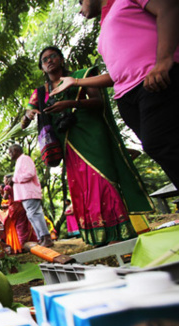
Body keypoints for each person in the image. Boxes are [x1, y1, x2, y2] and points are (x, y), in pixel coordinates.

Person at [23, 46, 153, 246]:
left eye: (53, 56)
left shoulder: (81, 76)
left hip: (91, 134)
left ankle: (120, 234)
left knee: (102, 180)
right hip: (68, 141)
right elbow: (25, 120)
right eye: (44, 59)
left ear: (61, 59)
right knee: (82, 185)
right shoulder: (41, 92)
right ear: (42, 68)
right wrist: (29, 115)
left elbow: (98, 102)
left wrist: (70, 105)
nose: (49, 60)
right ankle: (100, 237)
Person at [50, 0, 179, 188]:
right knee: (162, 149)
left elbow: (169, 8)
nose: (80, 9)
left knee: (161, 143)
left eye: (80, 2)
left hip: (155, 82)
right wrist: (76, 82)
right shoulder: (105, 27)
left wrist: (163, 60)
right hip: (128, 99)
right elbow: (117, 74)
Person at [8, 144, 53, 247]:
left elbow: (30, 173)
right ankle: (41, 238)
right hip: (25, 194)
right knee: (31, 215)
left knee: (35, 214)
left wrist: (14, 179)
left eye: (11, 151)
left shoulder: (24, 158)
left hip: (30, 193)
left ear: (17, 151)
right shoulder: (20, 161)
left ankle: (46, 237)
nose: (9, 154)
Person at [1, 174, 37, 253]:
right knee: (22, 225)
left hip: (14, 207)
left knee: (16, 226)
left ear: (7, 180)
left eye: (4, 179)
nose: (3, 181)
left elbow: (5, 198)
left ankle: (20, 246)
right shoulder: (18, 186)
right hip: (22, 206)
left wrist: (2, 194)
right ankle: (23, 243)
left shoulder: (7, 187)